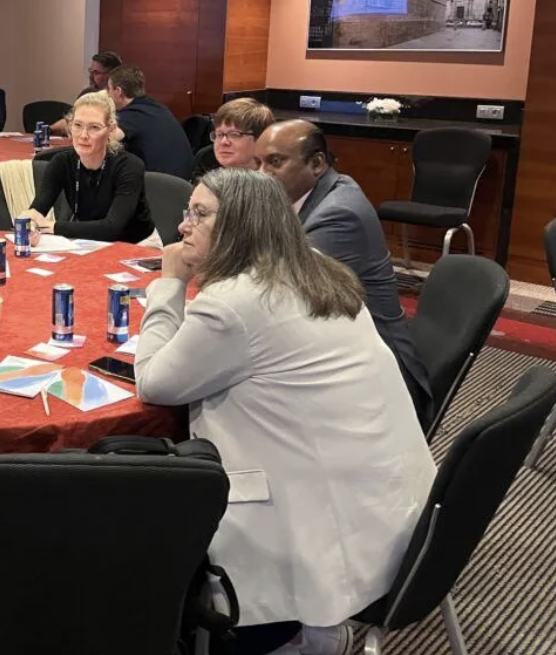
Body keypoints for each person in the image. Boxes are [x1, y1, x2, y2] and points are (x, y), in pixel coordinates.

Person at [134, 169, 435, 655]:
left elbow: (154, 382)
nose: (182, 225)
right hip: (393, 509)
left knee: (155, 509)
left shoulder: (233, 305)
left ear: (243, 226)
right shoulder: (317, 267)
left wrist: (169, 286)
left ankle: (286, 638)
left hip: (316, 530)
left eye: (200, 214)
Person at [257, 120, 432, 426]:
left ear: (317, 163)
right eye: (258, 163)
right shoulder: (310, 194)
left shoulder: (338, 214)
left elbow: (282, 294)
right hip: (333, 345)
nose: (261, 175)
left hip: (379, 376)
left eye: (275, 162)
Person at [23, 91, 155, 244]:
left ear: (111, 130)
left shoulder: (129, 166)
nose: (83, 135)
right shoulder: (61, 162)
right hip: (87, 240)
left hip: (136, 245)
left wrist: (52, 226)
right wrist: (30, 224)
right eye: (77, 125)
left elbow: (112, 228)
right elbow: (37, 211)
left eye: (94, 127)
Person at [107, 65, 194, 179]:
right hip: (183, 184)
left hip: (158, 187)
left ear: (118, 91)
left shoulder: (132, 114)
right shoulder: (158, 108)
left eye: (108, 89)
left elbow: (104, 139)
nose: (107, 94)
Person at [191, 97, 275, 181]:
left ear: (260, 139)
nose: (224, 142)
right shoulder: (206, 158)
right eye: (219, 134)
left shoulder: (275, 177)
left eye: (234, 135)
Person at [50, 51, 123, 136]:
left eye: (96, 73)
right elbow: (70, 120)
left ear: (112, 74)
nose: (91, 76)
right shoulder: (87, 93)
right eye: (90, 71)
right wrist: (49, 130)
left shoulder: (119, 98)